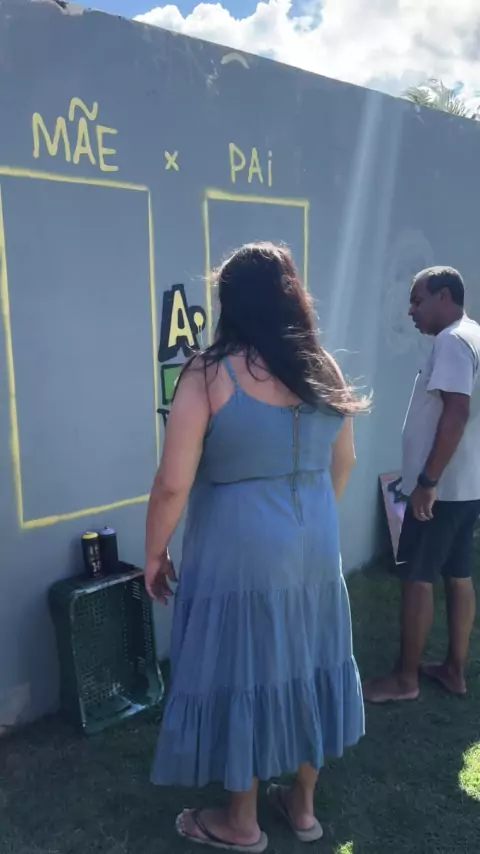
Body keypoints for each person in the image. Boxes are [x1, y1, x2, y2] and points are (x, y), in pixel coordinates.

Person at [145, 242, 369, 851]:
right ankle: (303, 808)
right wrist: (309, 520)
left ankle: (241, 822)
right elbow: (345, 462)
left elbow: (172, 483)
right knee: (310, 660)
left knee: (242, 666)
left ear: (230, 302)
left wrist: (155, 552)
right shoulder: (321, 366)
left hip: (237, 547)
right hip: (314, 543)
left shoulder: (209, 371)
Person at [364, 266, 480, 704]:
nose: (411, 311)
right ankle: (454, 669)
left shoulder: (451, 341)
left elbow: (456, 412)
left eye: (417, 300)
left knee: (417, 577)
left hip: (443, 489)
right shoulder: (472, 335)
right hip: (467, 485)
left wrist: (428, 481)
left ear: (443, 296)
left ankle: (405, 679)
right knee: (459, 573)